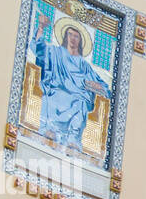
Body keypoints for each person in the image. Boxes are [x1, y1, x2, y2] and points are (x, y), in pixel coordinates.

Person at [32, 13, 107, 151]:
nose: (73, 38)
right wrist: (41, 27)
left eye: (76, 36)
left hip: (77, 98)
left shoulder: (84, 66)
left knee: (81, 103)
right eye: (70, 35)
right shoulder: (55, 52)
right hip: (56, 91)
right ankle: (50, 129)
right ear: (65, 37)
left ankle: (73, 138)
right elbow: (38, 50)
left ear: (80, 41)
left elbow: (105, 88)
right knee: (52, 95)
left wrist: (97, 86)